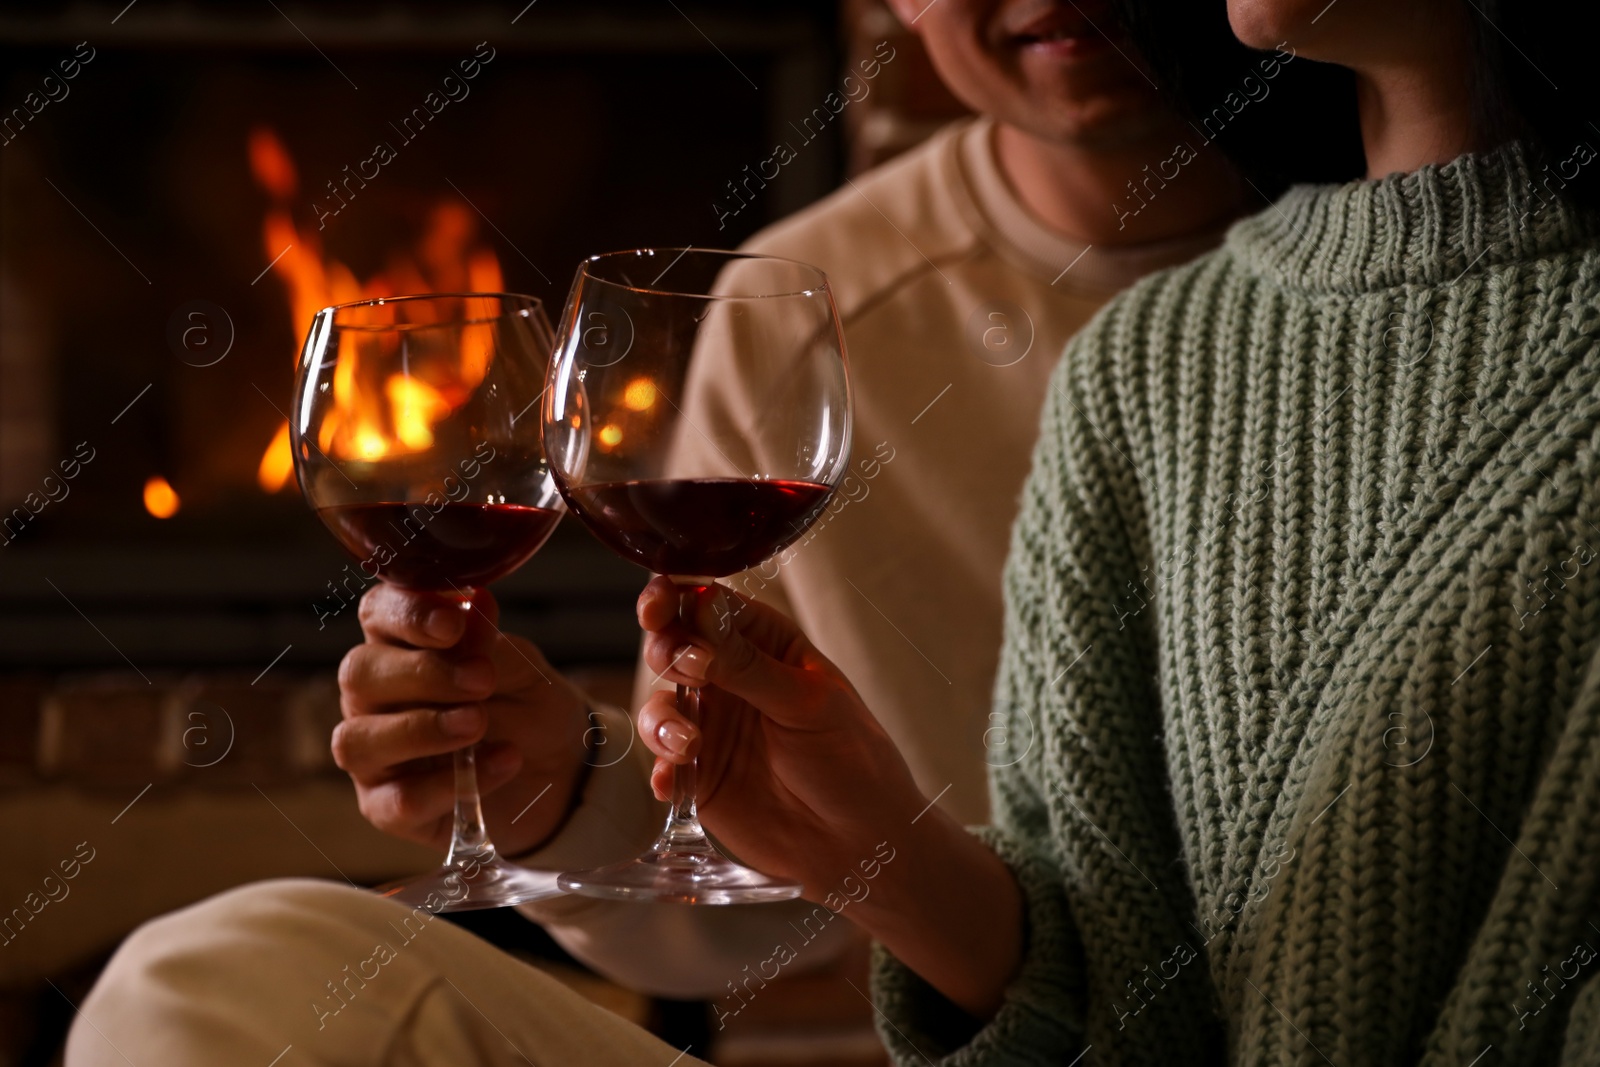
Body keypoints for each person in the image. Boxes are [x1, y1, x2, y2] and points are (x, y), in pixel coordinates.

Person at [88, 0, 1600, 1062]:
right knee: (215, 981)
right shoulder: (818, 311)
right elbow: (778, 921)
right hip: (991, 1021)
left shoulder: (1423, 306)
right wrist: (565, 795)